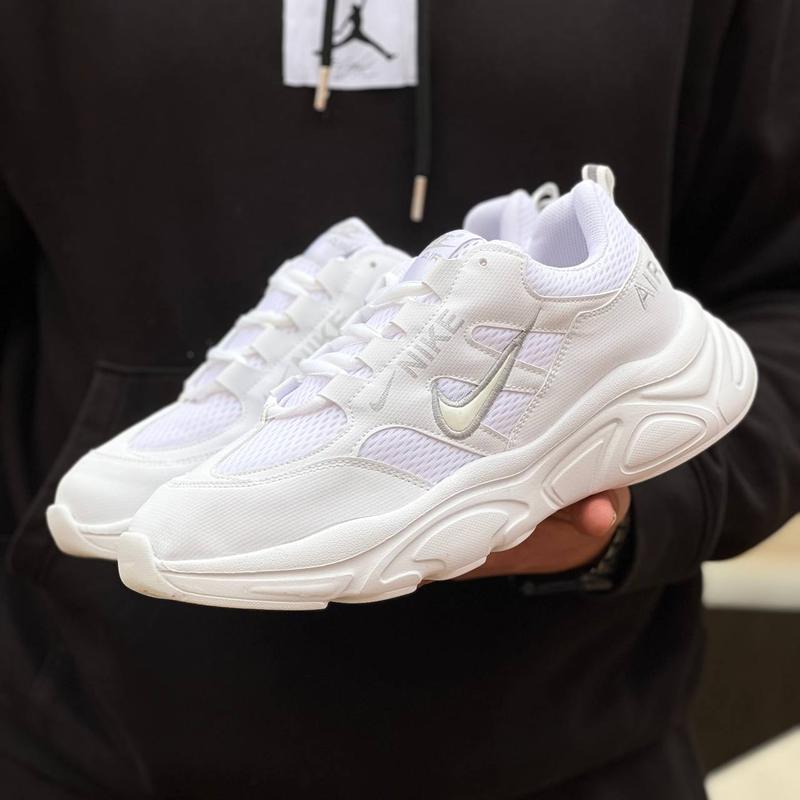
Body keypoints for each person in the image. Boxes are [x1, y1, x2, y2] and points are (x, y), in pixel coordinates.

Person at [1, 2, 798, 798]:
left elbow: (782, 282)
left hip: (581, 753)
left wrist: (647, 505)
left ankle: (563, 390)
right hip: (79, 746)